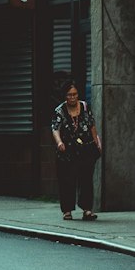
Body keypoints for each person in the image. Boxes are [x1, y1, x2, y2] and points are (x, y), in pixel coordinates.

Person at [51, 80, 102, 221]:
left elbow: (91, 125)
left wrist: (97, 141)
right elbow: (55, 128)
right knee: (67, 179)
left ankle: (87, 209)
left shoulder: (85, 107)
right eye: (69, 95)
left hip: (86, 147)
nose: (72, 97)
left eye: (75, 94)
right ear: (65, 96)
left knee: (86, 178)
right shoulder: (59, 111)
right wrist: (59, 142)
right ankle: (67, 210)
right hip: (68, 149)